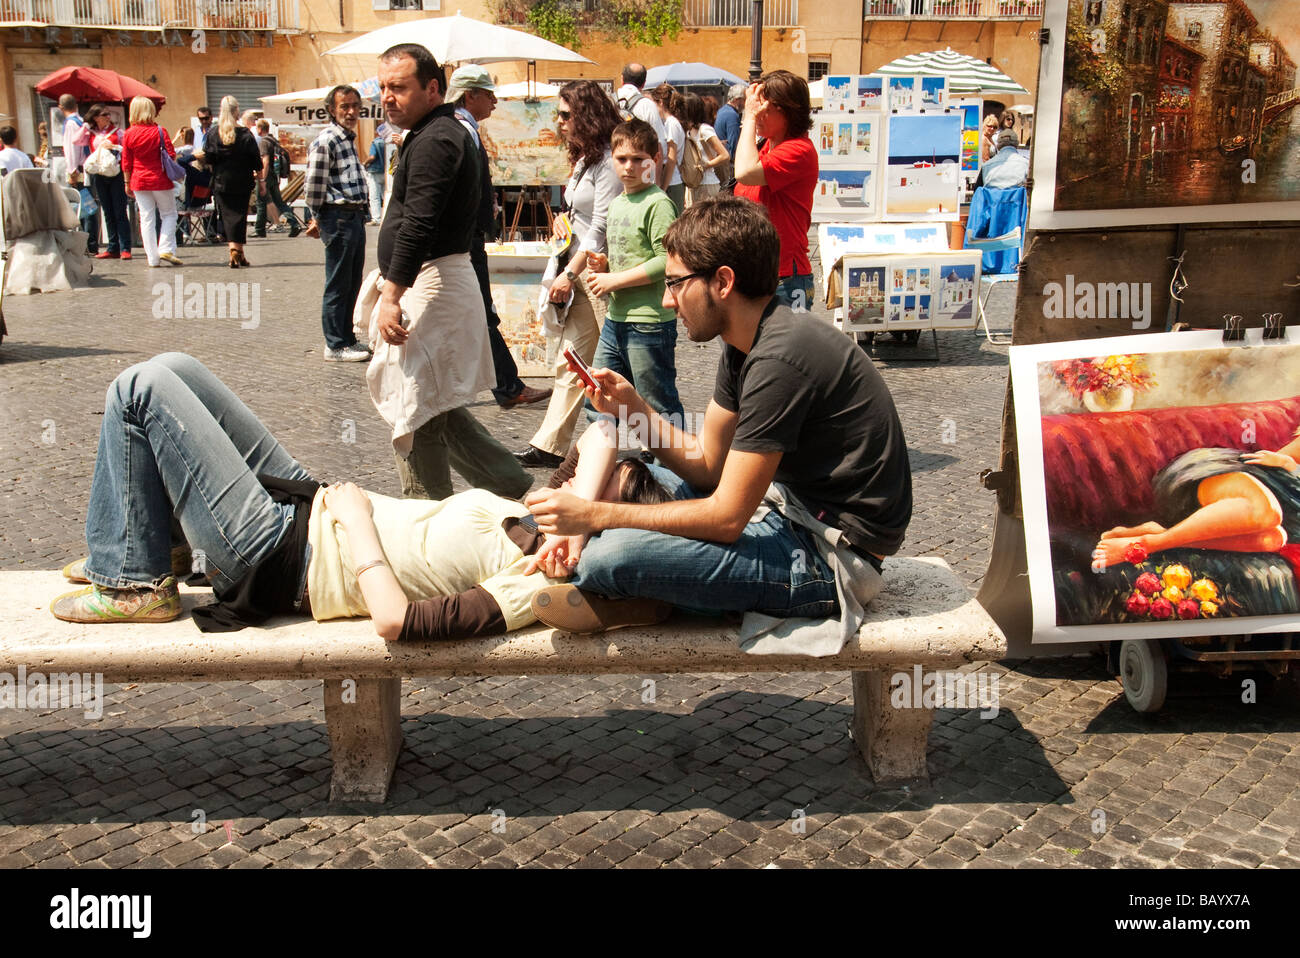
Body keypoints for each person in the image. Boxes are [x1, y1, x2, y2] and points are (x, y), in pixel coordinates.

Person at [48, 353, 671, 638]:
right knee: (180, 367)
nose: (576, 489)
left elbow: (398, 622)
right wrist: (578, 524)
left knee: (143, 387)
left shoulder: (536, 585)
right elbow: (605, 434)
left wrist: (359, 525)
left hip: (281, 555)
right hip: (308, 507)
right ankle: (158, 549)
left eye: (597, 503)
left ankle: (133, 581)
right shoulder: (540, 523)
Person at [523, 196, 913, 641]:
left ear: (723, 281)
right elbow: (708, 466)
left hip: (830, 555)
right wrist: (633, 409)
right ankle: (595, 560)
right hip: (778, 506)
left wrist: (594, 516)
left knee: (607, 557)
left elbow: (726, 517)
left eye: (675, 284)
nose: (669, 302)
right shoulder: (746, 339)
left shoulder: (780, 358)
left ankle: (629, 589)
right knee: (620, 477)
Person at [368, 42, 532, 502]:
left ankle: (426, 521)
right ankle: (510, 483)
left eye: (399, 87)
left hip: (431, 284)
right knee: (434, 407)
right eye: (383, 87)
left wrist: (392, 295)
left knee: (415, 410)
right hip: (434, 281)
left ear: (433, 88)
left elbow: (420, 223)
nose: (387, 96)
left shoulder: (438, 138)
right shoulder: (433, 133)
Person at [513, 80, 621, 471]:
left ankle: (651, 440)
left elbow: (603, 226)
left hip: (596, 272)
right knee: (571, 358)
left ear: (586, 115)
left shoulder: (609, 160)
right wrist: (563, 219)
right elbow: (582, 217)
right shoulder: (587, 158)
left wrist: (570, 275)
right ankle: (550, 444)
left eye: (565, 114)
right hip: (578, 265)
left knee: (621, 361)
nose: (559, 122)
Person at [447, 64, 552, 412]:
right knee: (480, 313)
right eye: (488, 93)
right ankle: (507, 386)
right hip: (465, 242)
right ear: (469, 96)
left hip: (469, 238)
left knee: (477, 313)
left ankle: (503, 386)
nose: (495, 100)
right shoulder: (460, 130)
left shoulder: (468, 130)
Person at [583, 118, 683, 428]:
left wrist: (613, 279)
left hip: (649, 323)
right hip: (616, 319)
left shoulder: (658, 203)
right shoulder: (618, 203)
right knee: (596, 397)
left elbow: (665, 259)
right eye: (622, 159)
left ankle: (673, 471)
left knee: (657, 404)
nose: (629, 166)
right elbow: (631, 257)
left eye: (638, 159)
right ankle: (597, 467)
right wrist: (606, 265)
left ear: (654, 160)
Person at [1091, 430, 1300, 572]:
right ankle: (1147, 544)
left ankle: (1162, 535)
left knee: (1274, 539)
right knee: (1267, 512)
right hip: (1203, 480)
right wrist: (1288, 464)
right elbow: (1276, 466)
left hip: (1228, 517)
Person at [733, 70, 818, 311]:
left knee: (785, 349)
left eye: (762, 109)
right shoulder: (765, 148)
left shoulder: (799, 150)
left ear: (786, 110)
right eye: (754, 108)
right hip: (756, 274)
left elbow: (744, 172)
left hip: (784, 280)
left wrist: (749, 118)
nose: (756, 114)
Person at [304, 85, 372, 361]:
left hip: (353, 216)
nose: (351, 111)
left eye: (355, 105)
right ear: (332, 110)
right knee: (338, 282)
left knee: (352, 280)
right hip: (338, 217)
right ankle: (334, 344)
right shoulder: (327, 140)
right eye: (344, 106)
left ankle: (347, 339)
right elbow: (313, 187)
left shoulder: (347, 139)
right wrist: (319, 218)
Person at [202, 95, 264, 269]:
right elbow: (256, 160)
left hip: (221, 181)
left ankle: (235, 251)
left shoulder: (213, 133)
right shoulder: (245, 134)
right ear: (237, 111)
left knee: (228, 216)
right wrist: (262, 180)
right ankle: (238, 251)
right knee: (240, 216)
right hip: (243, 181)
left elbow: (208, 158)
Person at [120, 96, 183, 268]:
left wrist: (126, 182)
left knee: (146, 218)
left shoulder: (129, 133)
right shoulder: (160, 131)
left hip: (139, 180)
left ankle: (152, 259)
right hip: (160, 179)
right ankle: (165, 248)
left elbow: (126, 161)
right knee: (169, 214)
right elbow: (171, 155)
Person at [83, 105, 132, 261]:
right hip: (99, 173)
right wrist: (84, 125)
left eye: (109, 114)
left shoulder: (118, 132)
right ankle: (113, 247)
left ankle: (125, 247)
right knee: (107, 211)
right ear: (96, 117)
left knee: (120, 211)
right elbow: (75, 140)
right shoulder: (90, 134)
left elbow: (126, 151)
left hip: (115, 174)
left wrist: (114, 147)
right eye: (104, 115)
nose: (108, 117)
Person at [615, 63, 668, 180]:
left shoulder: (607, 102)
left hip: (613, 172)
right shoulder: (647, 105)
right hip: (641, 173)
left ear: (622, 79)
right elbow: (659, 144)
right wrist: (656, 182)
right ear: (644, 83)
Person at [676, 91, 729, 207]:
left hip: (707, 183)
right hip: (693, 184)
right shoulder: (688, 131)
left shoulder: (704, 130)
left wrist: (705, 166)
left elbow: (724, 155)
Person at [254, 118, 301, 237]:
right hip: (275, 176)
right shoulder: (274, 141)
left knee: (260, 201)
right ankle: (294, 223)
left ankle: (259, 230)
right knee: (279, 202)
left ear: (260, 129)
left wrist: (262, 179)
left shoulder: (263, 142)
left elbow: (265, 161)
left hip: (266, 176)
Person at [649, 84, 686, 215]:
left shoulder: (671, 124)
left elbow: (671, 158)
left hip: (671, 182)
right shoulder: (670, 123)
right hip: (671, 181)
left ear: (659, 102)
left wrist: (662, 188)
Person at [714, 83, 745, 186]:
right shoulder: (732, 115)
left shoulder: (722, 111)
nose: (745, 104)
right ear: (737, 99)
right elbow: (734, 144)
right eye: (744, 100)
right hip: (727, 166)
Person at [363, 129, 385, 224]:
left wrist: (364, 163)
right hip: (386, 172)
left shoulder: (375, 142)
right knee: (386, 196)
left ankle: (376, 218)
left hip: (375, 171)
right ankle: (386, 217)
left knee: (374, 196)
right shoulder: (388, 143)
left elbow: (372, 156)